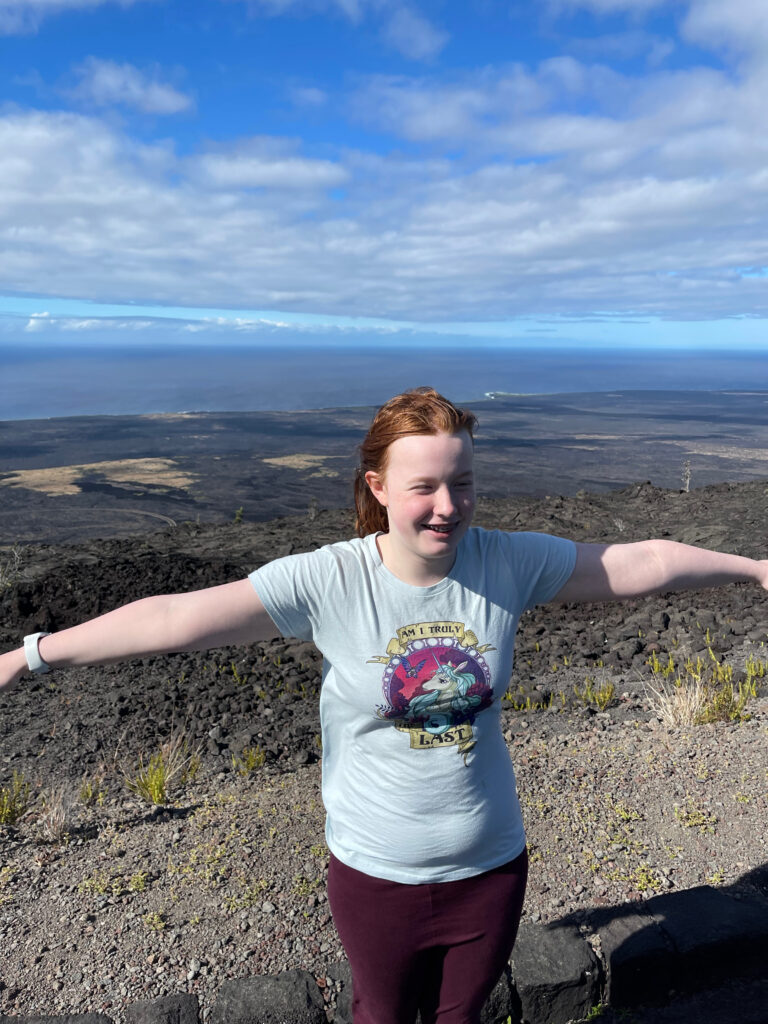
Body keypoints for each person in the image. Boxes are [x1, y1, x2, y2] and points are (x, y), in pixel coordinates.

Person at [1, 386, 766, 1024]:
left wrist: (754, 567)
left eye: (461, 483)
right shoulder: (330, 580)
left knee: (463, 1018)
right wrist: (29, 655)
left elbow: (643, 561)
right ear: (378, 489)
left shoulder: (506, 561)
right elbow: (170, 618)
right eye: (423, 487)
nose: (447, 506)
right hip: (376, 873)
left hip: (492, 863)